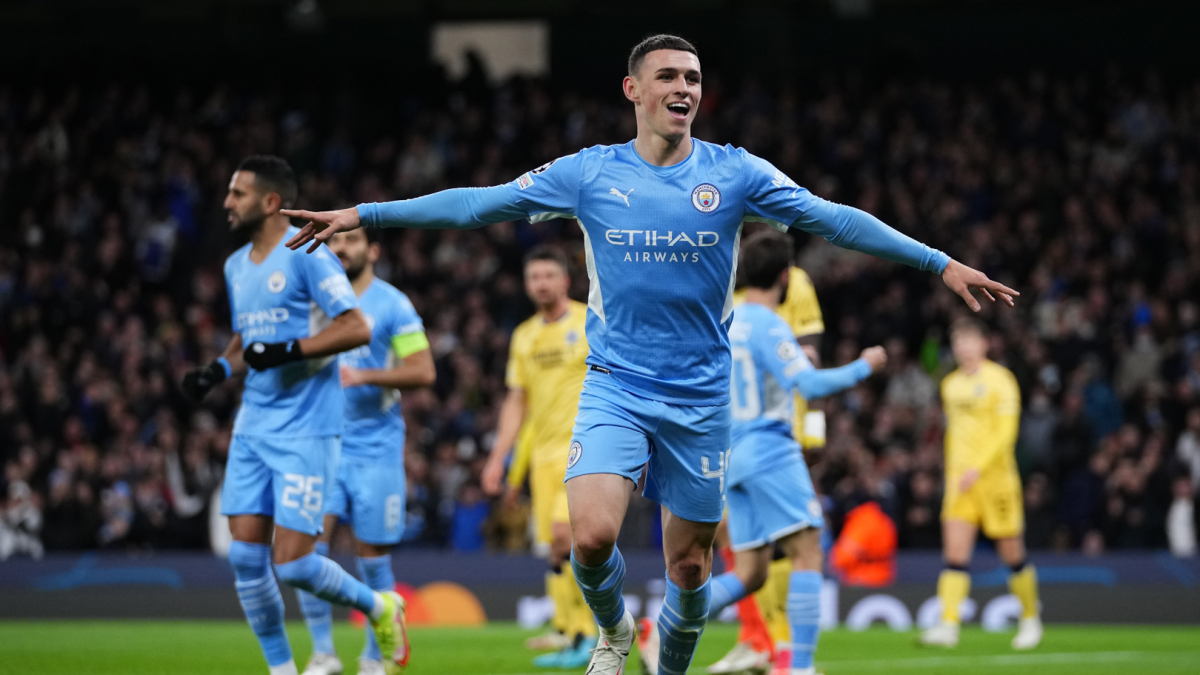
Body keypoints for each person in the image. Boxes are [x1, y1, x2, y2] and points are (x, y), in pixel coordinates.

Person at [282, 34, 1016, 675]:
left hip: (701, 401)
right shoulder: (590, 173)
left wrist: (938, 262)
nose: (683, 89)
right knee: (593, 534)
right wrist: (365, 213)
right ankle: (609, 630)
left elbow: (834, 218)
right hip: (615, 386)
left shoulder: (736, 174)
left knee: (690, 571)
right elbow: (479, 204)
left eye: (693, 79)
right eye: (668, 77)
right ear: (633, 89)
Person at [180, 156, 407, 675]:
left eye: (237, 194)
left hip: (309, 429)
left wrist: (288, 352)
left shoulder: (306, 252)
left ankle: (380, 606)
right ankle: (283, 669)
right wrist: (216, 370)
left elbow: (355, 328)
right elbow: (248, 339)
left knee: (295, 563)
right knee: (244, 559)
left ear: (270, 202)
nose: (227, 203)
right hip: (253, 426)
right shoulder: (236, 266)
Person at [657, 230, 884, 675]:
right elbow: (811, 384)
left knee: (751, 573)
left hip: (732, 455)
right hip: (769, 448)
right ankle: (799, 667)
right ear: (786, 277)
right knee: (807, 552)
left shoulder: (726, 321)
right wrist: (865, 365)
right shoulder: (770, 324)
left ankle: (661, 622)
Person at [295, 227, 436, 675]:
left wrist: (365, 377)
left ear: (371, 250)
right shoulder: (312, 301)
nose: (340, 248)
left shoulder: (393, 305)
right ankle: (323, 654)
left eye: (350, 241)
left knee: (372, 557)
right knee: (305, 554)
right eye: (334, 243)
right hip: (319, 447)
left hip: (375, 448)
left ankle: (375, 658)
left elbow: (423, 371)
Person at [480, 246, 596, 669]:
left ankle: (586, 632)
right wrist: (500, 460)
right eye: (534, 277)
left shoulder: (589, 321)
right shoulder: (524, 335)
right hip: (543, 455)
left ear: (565, 280)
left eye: (549, 275)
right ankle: (568, 630)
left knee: (569, 539)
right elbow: (517, 403)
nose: (541, 283)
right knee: (552, 548)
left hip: (584, 449)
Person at [710, 258, 828, 675]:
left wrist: (813, 429)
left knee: (757, 555)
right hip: (769, 435)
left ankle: (762, 640)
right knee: (795, 547)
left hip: (737, 435)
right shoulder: (768, 303)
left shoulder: (748, 292)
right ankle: (780, 649)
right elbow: (811, 367)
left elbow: (810, 347)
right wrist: (816, 427)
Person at [920, 318, 1042, 650]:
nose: (963, 347)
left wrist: (978, 466)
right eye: (958, 341)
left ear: (984, 344)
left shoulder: (1001, 380)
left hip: (996, 480)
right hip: (960, 483)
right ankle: (948, 625)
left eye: (969, 340)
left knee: (1012, 553)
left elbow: (1007, 433)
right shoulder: (950, 385)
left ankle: (1031, 619)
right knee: (954, 556)